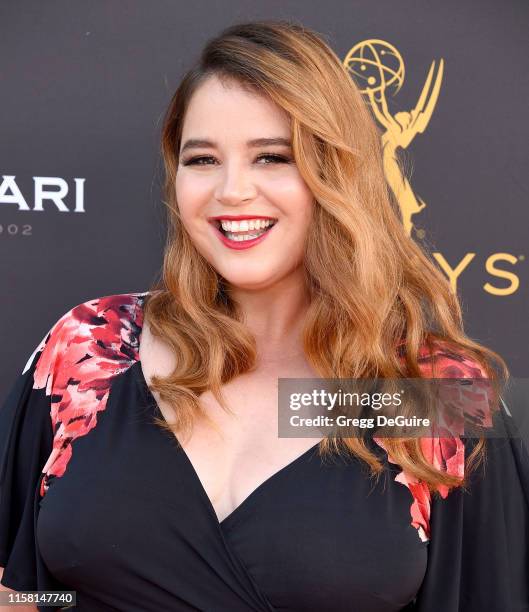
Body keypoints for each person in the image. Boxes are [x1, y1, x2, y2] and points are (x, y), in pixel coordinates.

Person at [0, 19, 527, 612]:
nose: (231, 191)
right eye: (202, 160)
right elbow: (25, 592)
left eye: (272, 157)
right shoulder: (90, 348)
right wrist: (63, 606)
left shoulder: (432, 392)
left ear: (337, 172)